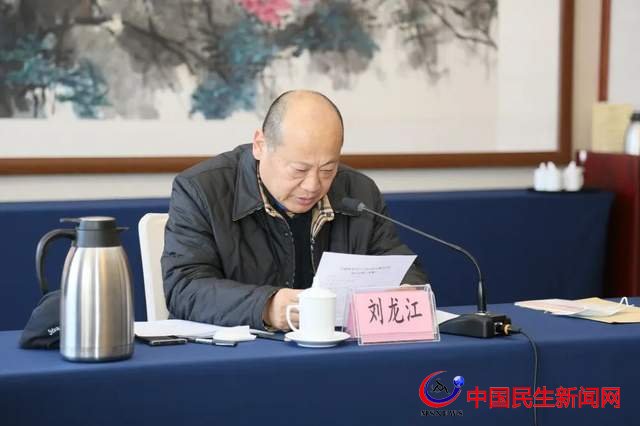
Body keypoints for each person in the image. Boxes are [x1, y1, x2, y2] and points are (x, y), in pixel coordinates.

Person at [161, 90, 426, 331]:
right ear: (260, 145)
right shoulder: (201, 190)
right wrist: (266, 307)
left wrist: (405, 290)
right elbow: (184, 288)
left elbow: (397, 263)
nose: (312, 186)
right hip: (239, 355)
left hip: (338, 351)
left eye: (327, 169)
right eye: (299, 170)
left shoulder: (359, 192)